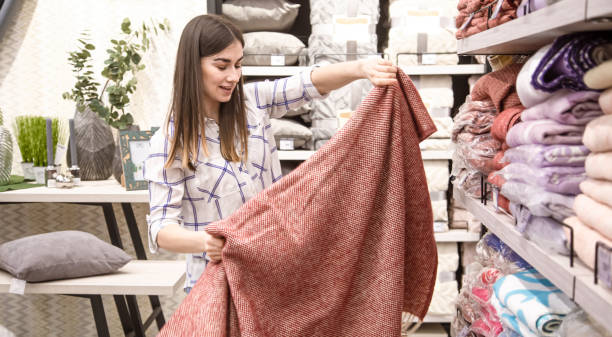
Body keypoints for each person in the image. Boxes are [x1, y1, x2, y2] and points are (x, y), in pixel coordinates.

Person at [143, 14, 398, 291]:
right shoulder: (169, 142)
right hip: (215, 280)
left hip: (271, 266)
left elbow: (308, 83)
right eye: (222, 65)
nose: (233, 76)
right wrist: (205, 241)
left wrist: (361, 67)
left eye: (238, 65)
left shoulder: (253, 103)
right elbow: (161, 228)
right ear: (193, 66)